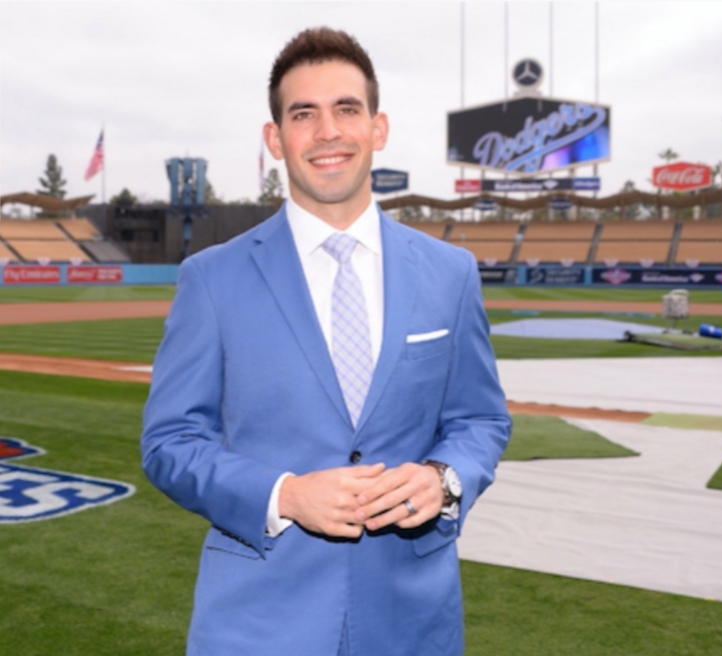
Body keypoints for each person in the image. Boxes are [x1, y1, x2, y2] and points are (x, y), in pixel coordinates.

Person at [141, 27, 510, 656]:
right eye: (303, 114)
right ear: (275, 139)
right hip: (259, 625)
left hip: (410, 623)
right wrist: (284, 495)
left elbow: (480, 420)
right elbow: (169, 443)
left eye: (346, 109)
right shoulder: (212, 279)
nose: (327, 131)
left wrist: (444, 478)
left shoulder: (449, 272)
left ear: (378, 127)